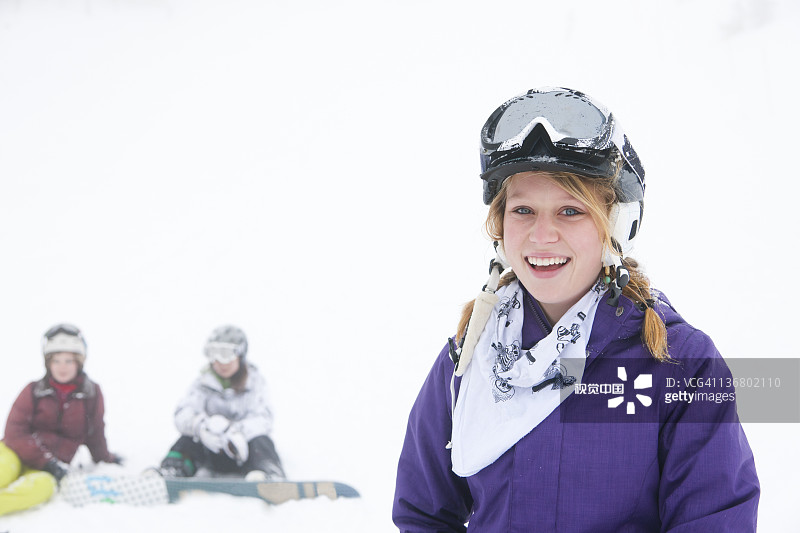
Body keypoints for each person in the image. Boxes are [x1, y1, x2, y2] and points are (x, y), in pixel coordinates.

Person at [393, 87, 760, 531]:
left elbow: (714, 519)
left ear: (614, 225)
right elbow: (423, 514)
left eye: (570, 211)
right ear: (500, 227)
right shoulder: (471, 356)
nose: (542, 235)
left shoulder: (681, 364)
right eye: (523, 210)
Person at [0, 323, 121, 516]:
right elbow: (14, 432)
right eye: (56, 361)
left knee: (40, 489)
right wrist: (45, 461)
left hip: (49, 469)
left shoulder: (91, 394)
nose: (62, 367)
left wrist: (106, 458)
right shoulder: (33, 390)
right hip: (13, 453)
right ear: (48, 363)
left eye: (68, 361)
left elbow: (95, 432)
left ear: (79, 362)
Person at [158, 325, 285, 481]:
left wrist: (236, 432)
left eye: (227, 354)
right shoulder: (202, 384)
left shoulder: (255, 383)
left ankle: (269, 475)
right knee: (188, 440)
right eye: (215, 353)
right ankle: (171, 472)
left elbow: (263, 418)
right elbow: (183, 412)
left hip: (243, 451)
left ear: (240, 355)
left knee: (261, 441)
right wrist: (201, 427)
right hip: (210, 450)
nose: (221, 362)